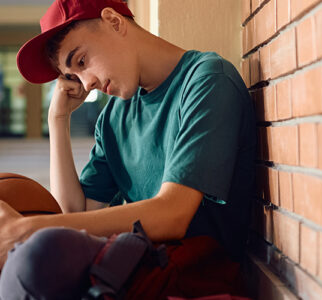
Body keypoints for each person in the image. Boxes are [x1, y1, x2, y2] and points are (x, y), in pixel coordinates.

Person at [0, 0, 256, 291]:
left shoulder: (207, 80)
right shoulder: (113, 116)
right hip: (130, 271)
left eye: (82, 62)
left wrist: (25, 230)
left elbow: (173, 214)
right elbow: (74, 215)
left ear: (114, 21)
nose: (86, 85)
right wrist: (57, 119)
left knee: (34, 259)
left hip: (192, 277)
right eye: (73, 77)